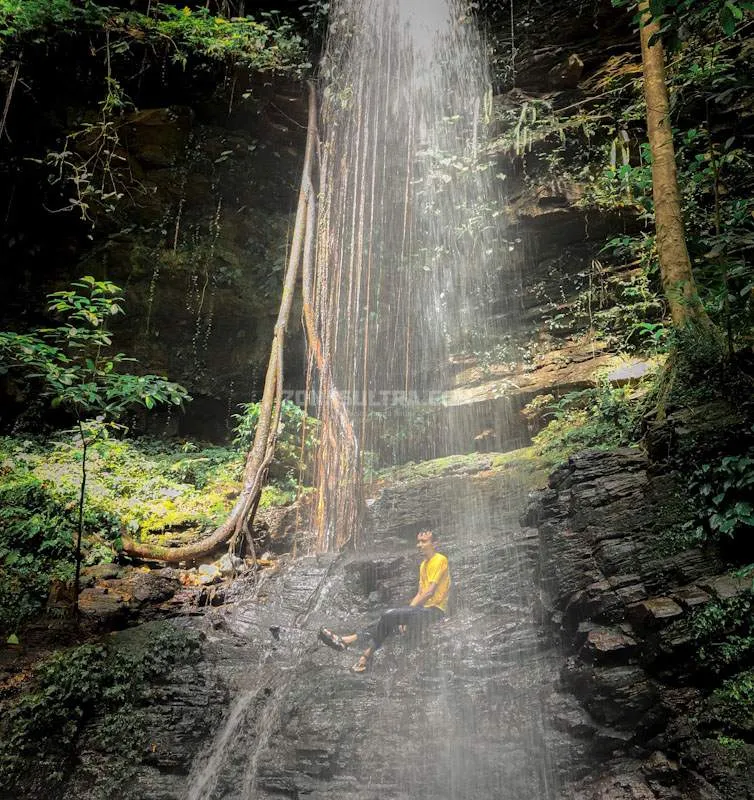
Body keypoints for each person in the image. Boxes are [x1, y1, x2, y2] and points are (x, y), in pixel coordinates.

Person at [318, 529, 450, 673]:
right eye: (418, 541)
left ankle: (351, 643)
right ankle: (362, 658)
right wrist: (405, 614)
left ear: (435, 543)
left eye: (424, 541)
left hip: (435, 611)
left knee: (388, 616)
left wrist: (405, 615)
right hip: (421, 611)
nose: (419, 545)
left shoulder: (440, 559)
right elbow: (419, 593)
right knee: (385, 620)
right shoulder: (423, 565)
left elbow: (429, 592)